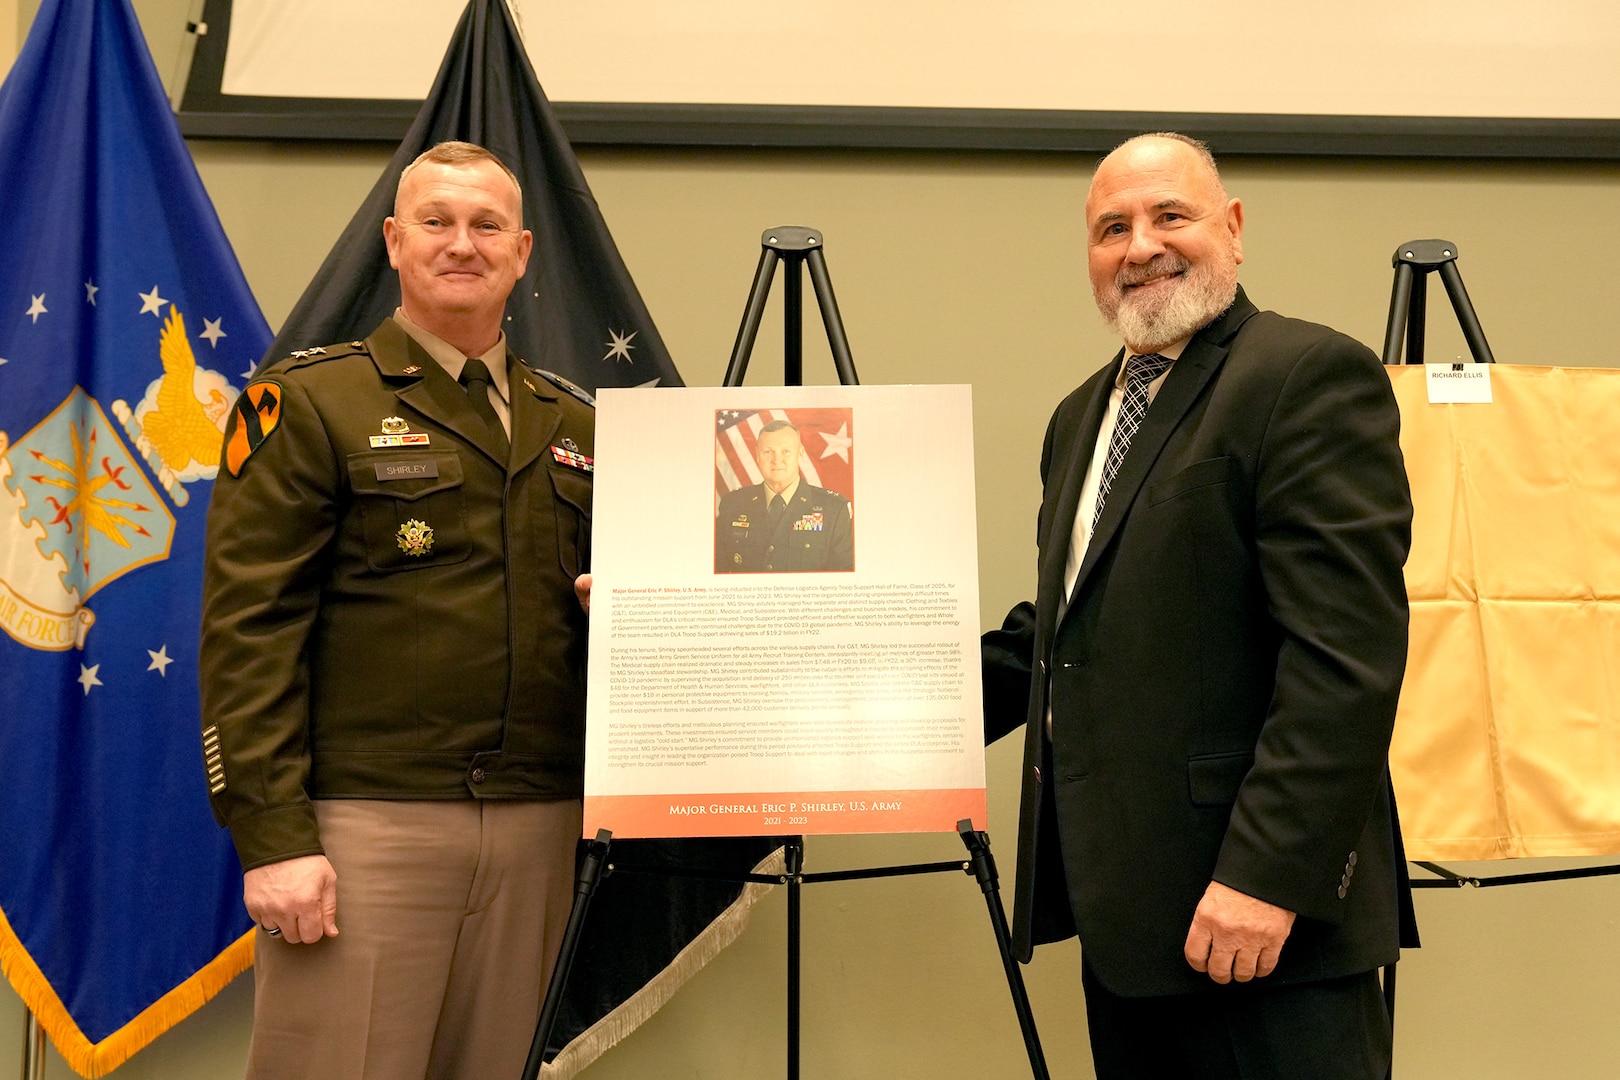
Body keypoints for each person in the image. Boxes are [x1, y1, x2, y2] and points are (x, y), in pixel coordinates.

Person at [982, 132, 1416, 1078]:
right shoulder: (1078, 418)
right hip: (1128, 933)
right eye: (1112, 228)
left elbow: (1345, 659)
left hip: (1264, 928)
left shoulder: (1304, 375)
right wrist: (842, 691)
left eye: (1168, 216)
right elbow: (1061, 635)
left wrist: (1266, 878)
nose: (1140, 246)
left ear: (1234, 227)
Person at [200, 141, 596, 1080]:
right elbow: (250, 630)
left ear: (522, 252)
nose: (462, 243)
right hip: (368, 825)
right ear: (393, 240)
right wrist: (274, 838)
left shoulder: (577, 423)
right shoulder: (309, 402)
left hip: (538, 820)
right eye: (436, 221)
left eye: (487, 225)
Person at [715, 419, 853, 572]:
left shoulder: (834, 510)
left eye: (785, 451)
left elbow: (842, 578)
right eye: (768, 452)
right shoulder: (733, 505)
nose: (776, 460)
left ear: (800, 454)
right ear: (757, 455)